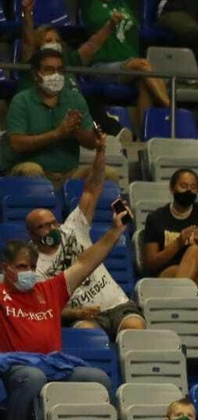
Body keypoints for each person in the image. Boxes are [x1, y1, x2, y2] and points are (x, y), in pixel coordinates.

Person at [0, 209, 128, 420]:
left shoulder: (50, 289)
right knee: (32, 377)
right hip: (15, 367)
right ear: (6, 268)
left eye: (32, 268)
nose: (28, 273)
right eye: (21, 267)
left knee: (99, 379)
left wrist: (115, 231)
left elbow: (86, 262)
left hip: (54, 364)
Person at [31, 139, 146, 336]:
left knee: (136, 329)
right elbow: (46, 309)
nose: (52, 229)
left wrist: (100, 151)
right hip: (82, 315)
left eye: (53, 223)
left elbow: (92, 189)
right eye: (43, 227)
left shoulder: (73, 227)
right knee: (88, 336)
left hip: (116, 304)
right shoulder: (36, 267)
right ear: (32, 235)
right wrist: (77, 312)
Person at [72, 0, 170, 128]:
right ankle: (172, 109)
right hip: (102, 67)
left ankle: (146, 136)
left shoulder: (124, 1)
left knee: (145, 84)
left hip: (128, 68)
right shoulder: (90, 2)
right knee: (142, 65)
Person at [2, 49, 98, 184]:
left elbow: (92, 142)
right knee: (31, 170)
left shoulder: (75, 99)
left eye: (59, 70)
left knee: (106, 174)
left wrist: (75, 130)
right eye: (49, 70)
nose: (56, 75)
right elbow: (17, 143)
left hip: (69, 174)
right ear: (36, 75)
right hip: (32, 169)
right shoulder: (21, 100)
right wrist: (56, 134)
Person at [139, 168, 198, 292]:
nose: (188, 191)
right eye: (183, 186)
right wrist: (178, 243)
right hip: (167, 272)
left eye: (193, 187)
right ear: (172, 188)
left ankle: (177, 298)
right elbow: (150, 263)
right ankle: (185, 305)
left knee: (195, 250)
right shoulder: (156, 218)